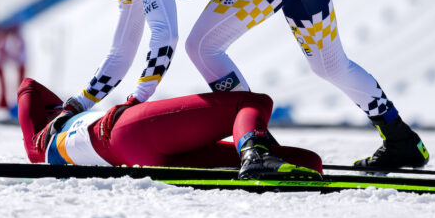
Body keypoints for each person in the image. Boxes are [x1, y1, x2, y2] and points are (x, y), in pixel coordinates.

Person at [55, 0, 429, 169]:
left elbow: (164, 35)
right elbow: (120, 53)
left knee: (202, 45)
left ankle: (256, 144)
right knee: (330, 65)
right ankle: (401, 139)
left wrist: (137, 100)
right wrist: (77, 104)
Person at [18, 77, 321, 179]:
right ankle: (255, 156)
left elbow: (29, 91)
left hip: (137, 158)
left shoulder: (40, 150)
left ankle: (256, 156)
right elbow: (28, 86)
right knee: (251, 102)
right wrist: (71, 106)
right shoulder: (56, 127)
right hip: (125, 129)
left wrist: (62, 112)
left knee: (309, 164)